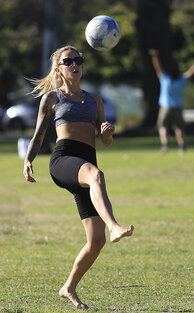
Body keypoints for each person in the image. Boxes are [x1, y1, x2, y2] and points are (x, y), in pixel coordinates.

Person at [23, 45, 134, 310]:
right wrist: (28, 160)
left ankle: (68, 287)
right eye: (68, 61)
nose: (75, 64)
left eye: (78, 60)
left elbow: (104, 141)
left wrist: (107, 132)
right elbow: (39, 135)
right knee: (97, 175)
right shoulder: (52, 98)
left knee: (96, 241)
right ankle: (114, 225)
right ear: (59, 69)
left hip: (86, 160)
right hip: (63, 160)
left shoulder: (94, 99)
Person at [148, 48, 194, 154]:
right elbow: (192, 71)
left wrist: (154, 57)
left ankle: (165, 145)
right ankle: (182, 147)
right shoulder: (182, 80)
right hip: (178, 107)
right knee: (179, 128)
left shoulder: (165, 80)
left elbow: (158, 68)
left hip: (165, 107)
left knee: (162, 126)